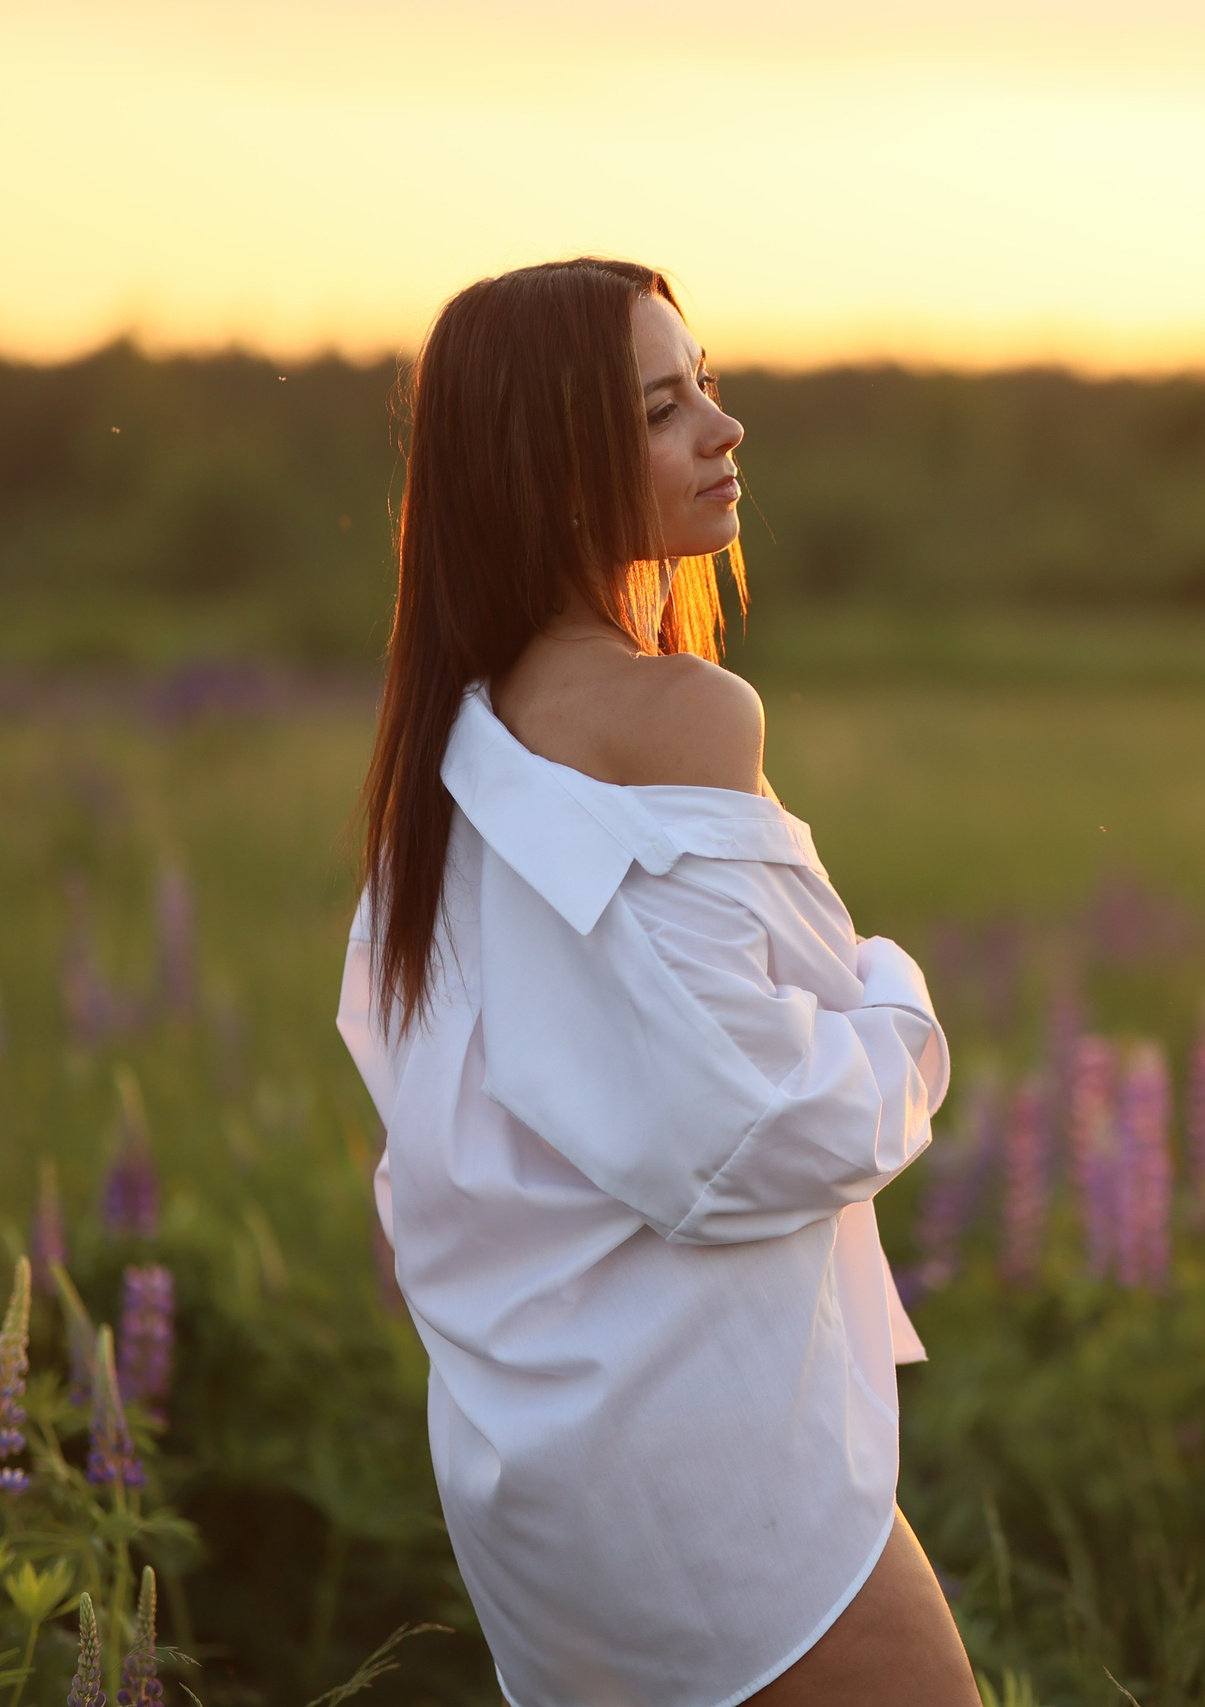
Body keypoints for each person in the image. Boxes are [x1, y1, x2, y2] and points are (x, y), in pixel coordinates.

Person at [337, 258, 979, 1706]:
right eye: (663, 408)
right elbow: (755, 1131)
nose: (724, 428)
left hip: (541, 1467)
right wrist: (899, 1008)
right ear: (553, 469)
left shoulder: (457, 744)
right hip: (702, 1458)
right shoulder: (684, 710)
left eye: (707, 386)